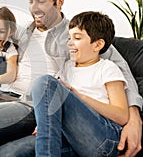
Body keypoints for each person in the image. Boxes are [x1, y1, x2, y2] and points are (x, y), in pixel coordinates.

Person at [0, 0, 143, 157]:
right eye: (30, 1)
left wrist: (133, 118)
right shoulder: (22, 33)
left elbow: (120, 68)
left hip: (30, 104)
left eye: (41, 1)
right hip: (2, 94)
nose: (34, 8)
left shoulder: (77, 35)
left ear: (59, 2)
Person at [32, 11, 129, 156]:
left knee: (45, 82)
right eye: (69, 37)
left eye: (77, 38)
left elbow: (121, 116)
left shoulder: (107, 68)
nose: (70, 43)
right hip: (73, 139)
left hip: (104, 138)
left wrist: (79, 96)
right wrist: (45, 122)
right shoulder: (67, 67)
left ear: (97, 45)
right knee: (10, 152)